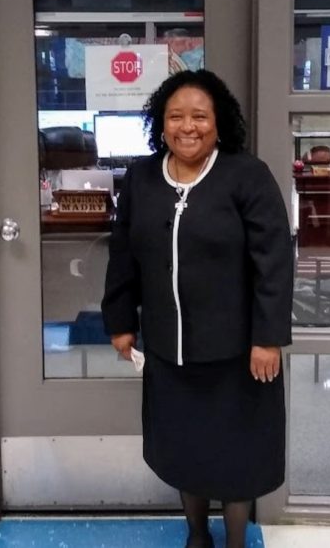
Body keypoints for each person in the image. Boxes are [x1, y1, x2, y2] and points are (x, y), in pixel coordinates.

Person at [102, 70, 292, 548]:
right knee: (185, 450)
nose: (188, 126)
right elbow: (123, 252)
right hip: (169, 351)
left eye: (200, 116)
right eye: (176, 116)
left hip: (238, 355)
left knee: (236, 456)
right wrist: (121, 321)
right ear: (160, 124)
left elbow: (273, 262)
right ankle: (195, 536)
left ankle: (233, 542)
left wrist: (267, 338)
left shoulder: (246, 175)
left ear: (219, 123)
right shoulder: (142, 178)